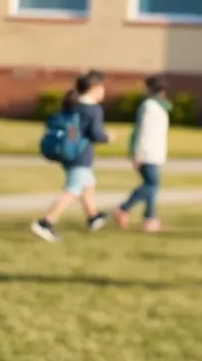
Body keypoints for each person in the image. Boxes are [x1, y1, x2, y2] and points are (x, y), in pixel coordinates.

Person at [31, 70, 112, 242]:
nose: (104, 91)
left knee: (88, 184)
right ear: (94, 88)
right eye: (102, 87)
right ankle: (45, 222)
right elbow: (96, 134)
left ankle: (93, 216)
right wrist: (108, 137)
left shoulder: (73, 104)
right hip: (80, 156)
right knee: (73, 190)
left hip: (68, 153)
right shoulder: (93, 109)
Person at [116, 75, 170, 232]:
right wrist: (136, 152)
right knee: (151, 184)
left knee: (152, 186)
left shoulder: (159, 107)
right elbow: (140, 130)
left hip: (155, 152)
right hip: (147, 152)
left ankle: (150, 219)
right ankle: (123, 209)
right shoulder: (149, 106)